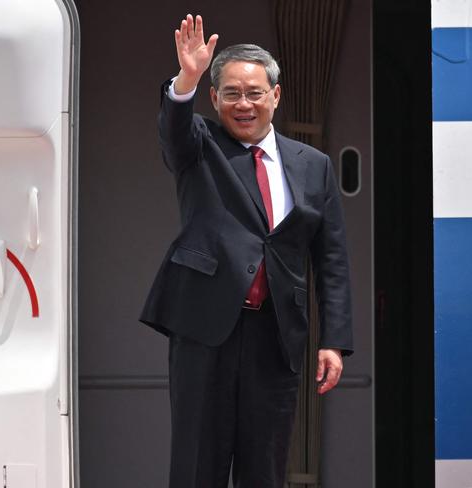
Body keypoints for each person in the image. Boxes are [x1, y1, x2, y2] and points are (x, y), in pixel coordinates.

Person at [140, 14, 353, 488]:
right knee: (198, 465)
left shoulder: (312, 165)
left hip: (275, 336)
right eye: (231, 93)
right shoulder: (200, 146)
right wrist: (187, 78)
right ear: (214, 99)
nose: (243, 103)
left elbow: (331, 258)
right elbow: (172, 132)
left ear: (275, 96)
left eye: (254, 93)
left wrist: (334, 340)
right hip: (205, 329)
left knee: (265, 466)